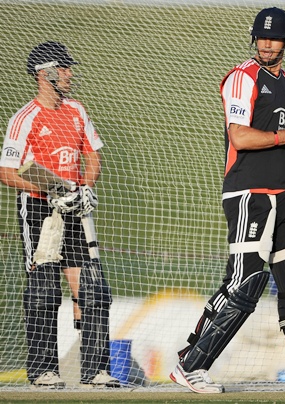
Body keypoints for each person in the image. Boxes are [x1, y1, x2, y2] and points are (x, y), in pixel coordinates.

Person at [169, 7, 285, 395]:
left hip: (284, 193)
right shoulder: (242, 78)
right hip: (249, 193)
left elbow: (280, 139)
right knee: (245, 282)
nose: (268, 44)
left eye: (276, 38)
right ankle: (191, 364)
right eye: (262, 37)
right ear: (254, 39)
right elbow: (241, 137)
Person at [0, 42, 119, 389]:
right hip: (39, 208)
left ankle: (95, 370)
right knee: (45, 288)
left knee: (92, 288)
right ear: (45, 72)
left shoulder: (77, 111)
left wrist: (84, 187)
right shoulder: (24, 118)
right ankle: (43, 370)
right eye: (64, 67)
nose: (69, 73)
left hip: (75, 207)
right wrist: (49, 189)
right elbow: (6, 171)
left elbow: (92, 155)